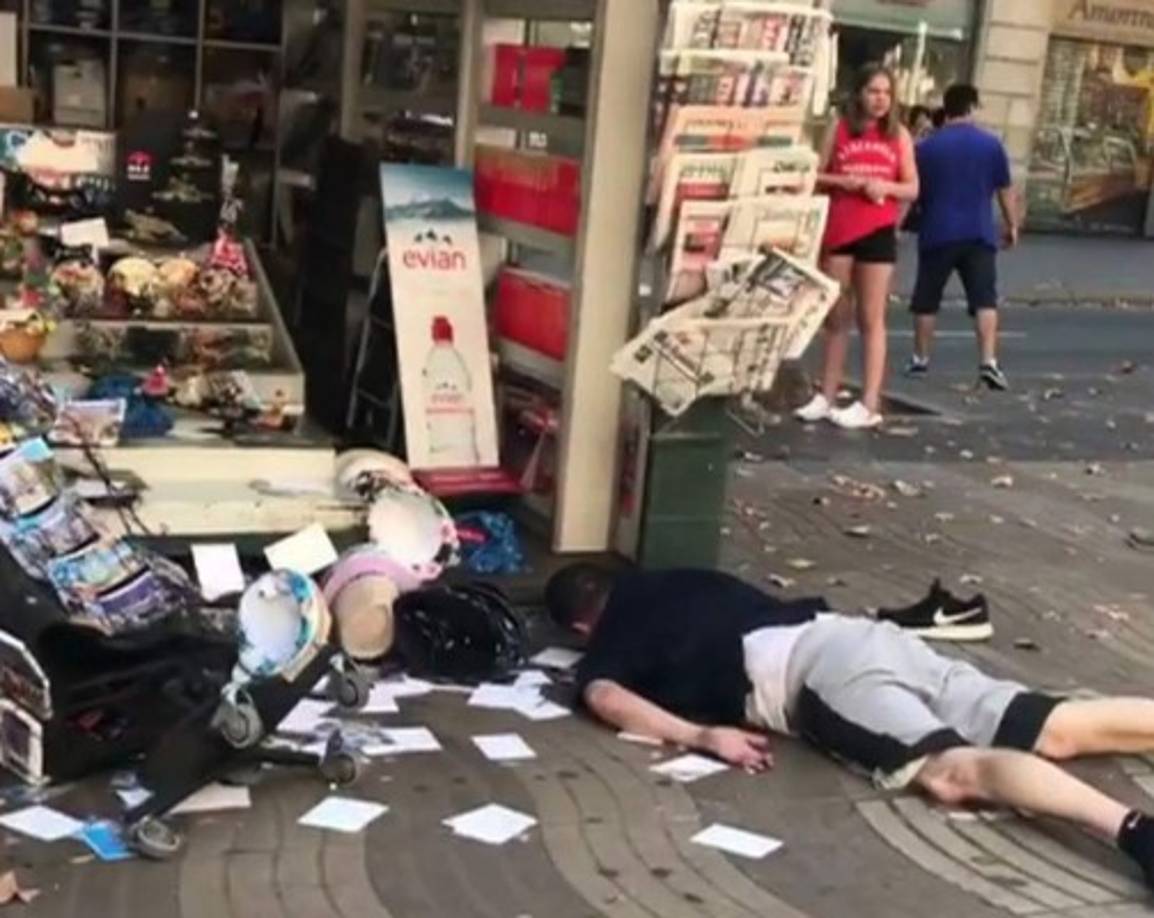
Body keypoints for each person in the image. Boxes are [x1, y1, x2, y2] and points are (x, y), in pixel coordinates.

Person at [546, 564, 1154, 889]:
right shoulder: (678, 578)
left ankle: (1134, 832)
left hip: (820, 676)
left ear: (579, 628)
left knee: (953, 771)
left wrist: (703, 737)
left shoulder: (612, 633)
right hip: (859, 635)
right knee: (1052, 726)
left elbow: (604, 696)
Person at [794, 64, 919, 431]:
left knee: (871, 316)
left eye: (886, 93)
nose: (879, 99)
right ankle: (826, 393)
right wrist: (844, 180)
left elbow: (912, 187)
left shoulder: (899, 135)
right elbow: (815, 174)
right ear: (859, 94)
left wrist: (885, 188)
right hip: (840, 226)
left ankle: (869, 401)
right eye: (873, 91)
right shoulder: (840, 127)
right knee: (836, 316)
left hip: (877, 229)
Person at [906, 84, 1019, 390]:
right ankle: (988, 362)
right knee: (984, 299)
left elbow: (913, 191)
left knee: (927, 300)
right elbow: (1005, 189)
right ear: (971, 107)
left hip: (937, 231)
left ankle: (920, 359)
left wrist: (897, 224)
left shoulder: (927, 148)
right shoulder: (991, 145)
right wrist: (1012, 225)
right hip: (979, 233)